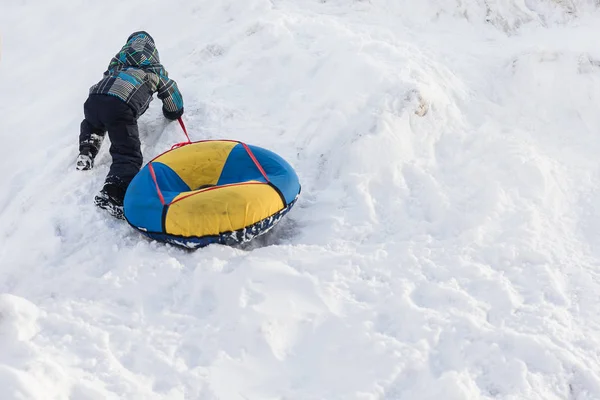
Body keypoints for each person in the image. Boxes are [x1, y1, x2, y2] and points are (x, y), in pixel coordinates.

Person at [76, 31, 184, 219]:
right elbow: (170, 92)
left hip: (94, 98)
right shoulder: (153, 70)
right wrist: (173, 112)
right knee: (127, 153)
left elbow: (105, 88)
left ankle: (88, 148)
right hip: (120, 106)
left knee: (93, 121)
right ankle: (113, 192)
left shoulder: (116, 66)